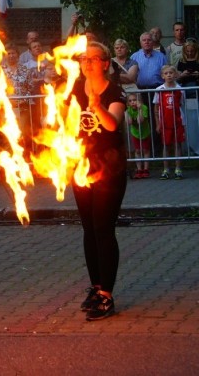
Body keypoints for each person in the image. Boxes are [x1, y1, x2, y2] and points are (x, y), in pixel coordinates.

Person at [69, 41, 127, 321]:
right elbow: (66, 125)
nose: (88, 63)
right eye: (84, 58)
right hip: (81, 167)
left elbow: (113, 122)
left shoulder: (115, 91)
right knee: (89, 228)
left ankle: (107, 294)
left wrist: (96, 106)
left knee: (103, 227)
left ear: (105, 63)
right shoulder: (74, 90)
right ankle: (96, 287)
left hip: (109, 170)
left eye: (94, 58)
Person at [177, 40, 199, 157]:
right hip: (188, 94)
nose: (190, 53)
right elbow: (177, 77)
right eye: (187, 51)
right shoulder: (181, 61)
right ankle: (191, 148)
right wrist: (183, 75)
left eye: (192, 51)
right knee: (190, 120)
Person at [153, 65, 185, 179]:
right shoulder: (159, 90)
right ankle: (166, 169)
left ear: (175, 74)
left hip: (177, 121)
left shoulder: (180, 89)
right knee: (165, 145)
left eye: (171, 73)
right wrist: (158, 123)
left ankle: (178, 169)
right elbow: (156, 109)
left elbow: (182, 105)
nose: (169, 75)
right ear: (162, 76)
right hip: (165, 122)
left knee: (177, 145)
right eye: (166, 73)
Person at [126, 93, 151, 179]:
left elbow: (140, 120)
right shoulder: (128, 110)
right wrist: (126, 111)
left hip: (145, 132)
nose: (132, 102)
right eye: (130, 101)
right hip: (135, 133)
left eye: (134, 100)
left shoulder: (144, 108)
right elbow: (128, 122)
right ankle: (139, 169)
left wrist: (140, 109)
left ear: (139, 101)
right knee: (137, 151)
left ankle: (146, 169)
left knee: (146, 150)